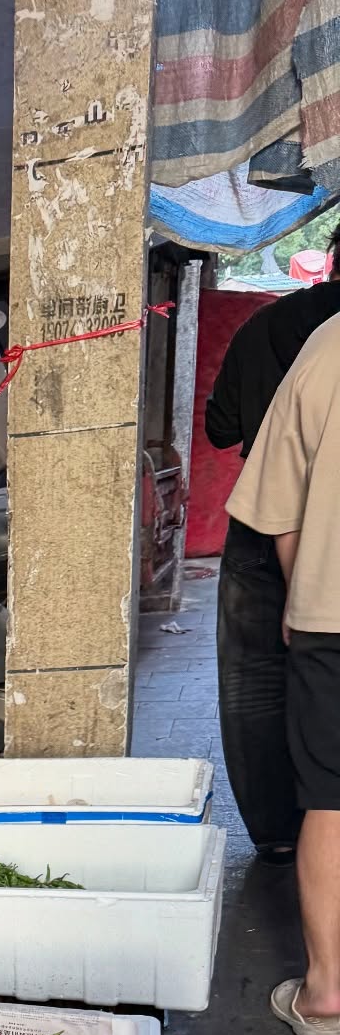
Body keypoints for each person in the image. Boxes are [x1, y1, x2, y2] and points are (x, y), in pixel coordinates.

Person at [204, 240, 340, 860]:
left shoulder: (266, 326)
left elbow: (221, 426)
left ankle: (280, 834)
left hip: (263, 520)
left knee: (255, 676)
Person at [226, 311, 340, 1035]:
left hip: (335, 608)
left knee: (331, 798)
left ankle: (328, 995)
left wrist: (301, 594)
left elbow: (276, 500)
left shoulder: (329, 345)